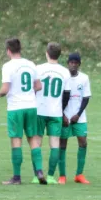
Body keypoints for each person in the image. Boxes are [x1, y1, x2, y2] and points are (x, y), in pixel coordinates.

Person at [0, 38, 43, 185]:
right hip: (31, 106)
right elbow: (38, 86)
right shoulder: (31, 64)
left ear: (8, 51)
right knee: (33, 138)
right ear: (20, 49)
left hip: (15, 108)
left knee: (16, 140)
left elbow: (5, 89)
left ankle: (17, 177)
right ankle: (39, 171)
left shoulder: (8, 66)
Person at [34, 42, 71, 184]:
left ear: (46, 53)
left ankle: (36, 175)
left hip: (39, 110)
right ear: (59, 55)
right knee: (55, 143)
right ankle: (50, 176)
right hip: (56, 112)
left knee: (36, 142)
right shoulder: (64, 72)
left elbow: (33, 89)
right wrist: (61, 110)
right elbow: (66, 95)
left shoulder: (38, 69)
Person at [58, 52, 91, 185]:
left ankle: (79, 174)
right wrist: (62, 115)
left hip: (79, 117)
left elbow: (86, 97)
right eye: (71, 62)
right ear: (68, 64)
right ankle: (62, 176)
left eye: (75, 63)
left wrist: (78, 114)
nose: (73, 65)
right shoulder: (63, 78)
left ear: (79, 64)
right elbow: (58, 98)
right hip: (64, 116)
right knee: (62, 144)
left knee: (83, 143)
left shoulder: (84, 78)